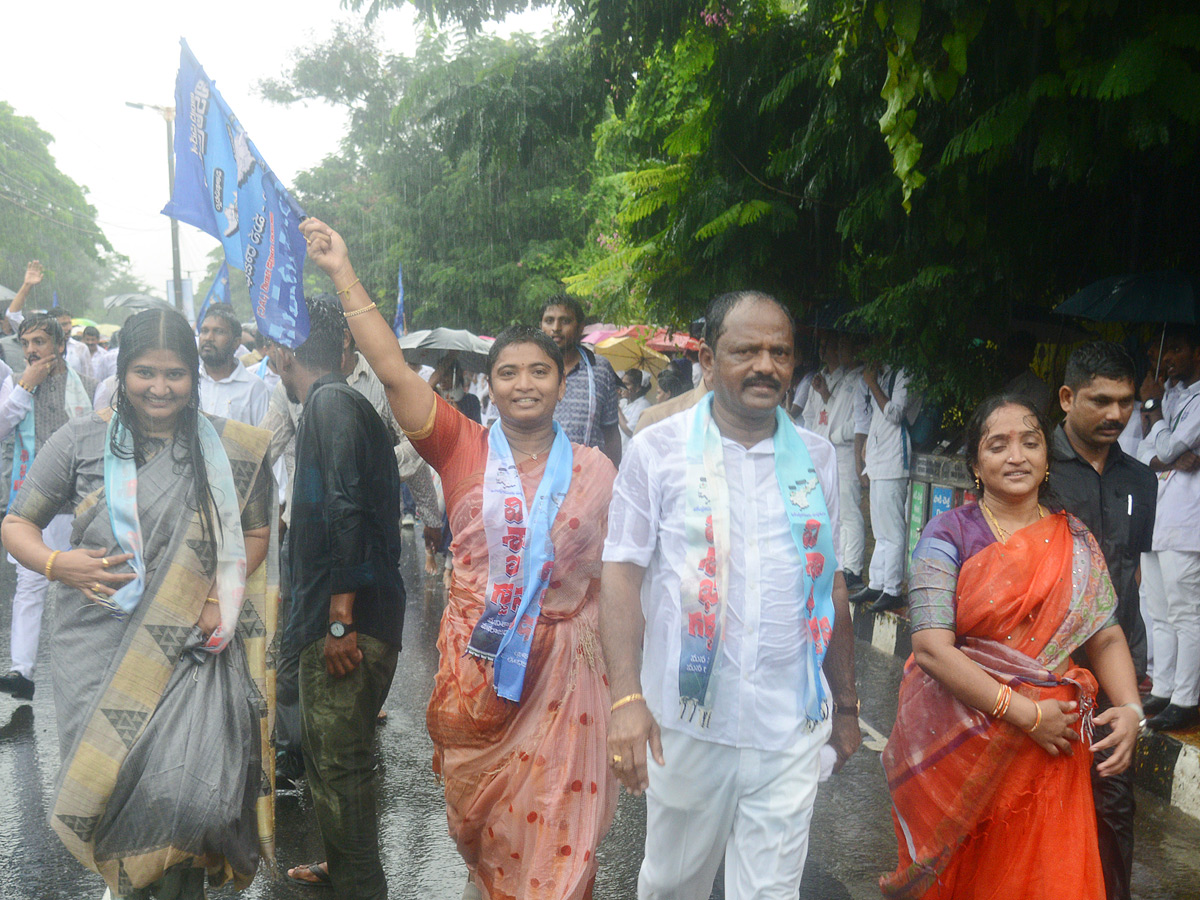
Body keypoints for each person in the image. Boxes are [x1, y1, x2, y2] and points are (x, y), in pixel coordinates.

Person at [301, 216, 618, 900]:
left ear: (564, 383)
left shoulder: (597, 471)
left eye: (540, 371)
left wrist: (630, 692)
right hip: (481, 678)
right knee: (494, 841)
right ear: (490, 385)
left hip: (567, 683)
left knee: (561, 856)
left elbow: (621, 584)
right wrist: (341, 271)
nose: (525, 383)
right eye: (509, 373)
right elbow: (389, 367)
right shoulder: (461, 446)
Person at [0, 307, 276, 898]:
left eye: (175, 374)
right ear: (122, 372)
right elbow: (17, 522)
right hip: (94, 647)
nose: (160, 387)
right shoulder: (78, 440)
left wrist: (212, 594)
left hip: (189, 647)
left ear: (193, 376)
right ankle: (127, 885)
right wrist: (56, 563)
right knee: (116, 789)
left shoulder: (230, 451)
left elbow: (257, 533)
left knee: (182, 795)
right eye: (145, 372)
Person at [601, 290, 861, 900]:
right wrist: (625, 699)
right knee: (672, 886)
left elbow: (832, 586)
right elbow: (621, 573)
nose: (765, 365)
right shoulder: (657, 451)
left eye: (780, 352)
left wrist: (845, 706)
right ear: (709, 361)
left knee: (771, 893)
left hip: (787, 723)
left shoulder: (818, 458)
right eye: (745, 351)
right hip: (688, 721)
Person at [882, 394, 1142, 900]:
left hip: (1054, 749)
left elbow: (1106, 633)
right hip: (967, 743)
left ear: (1047, 457)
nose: (1016, 456)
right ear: (976, 464)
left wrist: (1132, 708)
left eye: (1030, 442)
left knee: (1049, 880)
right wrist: (1024, 713)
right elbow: (932, 648)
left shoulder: (1074, 538)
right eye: (997, 445)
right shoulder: (948, 533)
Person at [268, 299, 404, 900]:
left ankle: (360, 888)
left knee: (340, 765)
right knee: (328, 763)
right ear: (342, 350)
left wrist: (341, 618)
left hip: (350, 620)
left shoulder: (329, 403)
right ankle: (343, 867)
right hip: (346, 613)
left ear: (280, 353)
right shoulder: (337, 403)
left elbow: (346, 506)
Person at [1050, 342, 1157, 900]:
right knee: (1037, 803)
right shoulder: (1033, 467)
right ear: (1067, 397)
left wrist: (1135, 677)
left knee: (1113, 803)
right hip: (1048, 670)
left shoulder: (1142, 480)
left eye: (1127, 402)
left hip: (1118, 673)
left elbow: (1129, 572)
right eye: (1101, 400)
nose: (1117, 414)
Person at [0, 315, 96, 702]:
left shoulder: (89, 387)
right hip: (33, 503)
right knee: (30, 585)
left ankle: (88, 671)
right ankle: (21, 672)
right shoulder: (16, 385)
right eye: (25, 344)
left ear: (59, 344)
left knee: (84, 584)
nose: (31, 351)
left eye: (39, 341)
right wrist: (25, 387)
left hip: (80, 503)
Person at [1138, 323, 1200, 732]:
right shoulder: (1172, 396)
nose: (1166, 358)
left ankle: (1186, 698)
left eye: (1175, 349)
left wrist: (1152, 408)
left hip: (1187, 520)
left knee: (1185, 611)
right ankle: (1162, 689)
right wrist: (1166, 448)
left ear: (1197, 352)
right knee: (1157, 609)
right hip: (1159, 516)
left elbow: (1163, 447)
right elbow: (1147, 454)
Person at [850, 358, 920, 613]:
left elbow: (895, 413)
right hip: (879, 460)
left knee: (891, 528)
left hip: (893, 458)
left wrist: (872, 384)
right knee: (880, 529)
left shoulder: (905, 373)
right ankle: (877, 582)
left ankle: (892, 588)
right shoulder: (882, 374)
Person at [540, 295, 622, 467]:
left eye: (565, 321)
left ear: (580, 327)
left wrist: (613, 476)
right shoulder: (528, 368)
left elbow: (611, 432)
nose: (556, 328)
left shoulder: (599, 368)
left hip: (588, 480)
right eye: (549, 320)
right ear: (541, 326)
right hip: (535, 480)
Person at [197, 303, 269, 426]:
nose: (208, 338)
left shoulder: (254, 387)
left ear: (236, 343)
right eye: (204, 331)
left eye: (218, 331)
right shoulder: (191, 381)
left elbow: (262, 441)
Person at [617, 369, 651, 451]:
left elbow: (630, 431)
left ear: (637, 387)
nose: (623, 388)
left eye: (626, 384)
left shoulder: (643, 405)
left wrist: (617, 408)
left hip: (628, 452)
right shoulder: (623, 402)